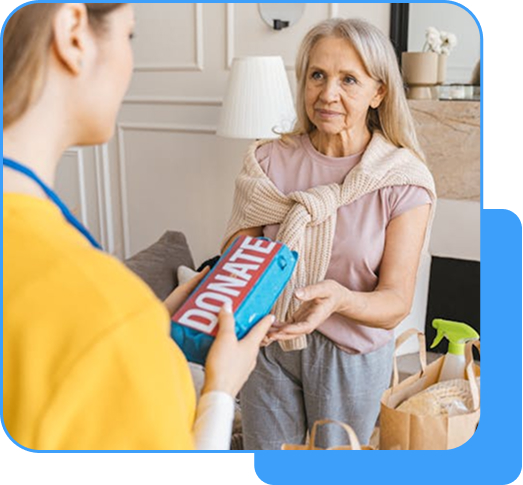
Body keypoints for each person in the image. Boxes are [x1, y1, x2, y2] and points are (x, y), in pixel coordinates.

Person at [3, 3, 273, 451]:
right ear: (73, 34)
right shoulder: (106, 314)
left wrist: (150, 329)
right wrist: (221, 390)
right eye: (129, 36)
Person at [222, 18, 437, 450]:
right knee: (267, 460)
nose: (328, 94)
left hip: (351, 353)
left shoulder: (402, 180)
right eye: (317, 75)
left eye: (349, 80)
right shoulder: (267, 160)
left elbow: (396, 303)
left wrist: (338, 298)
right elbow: (234, 257)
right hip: (269, 341)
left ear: (379, 92)